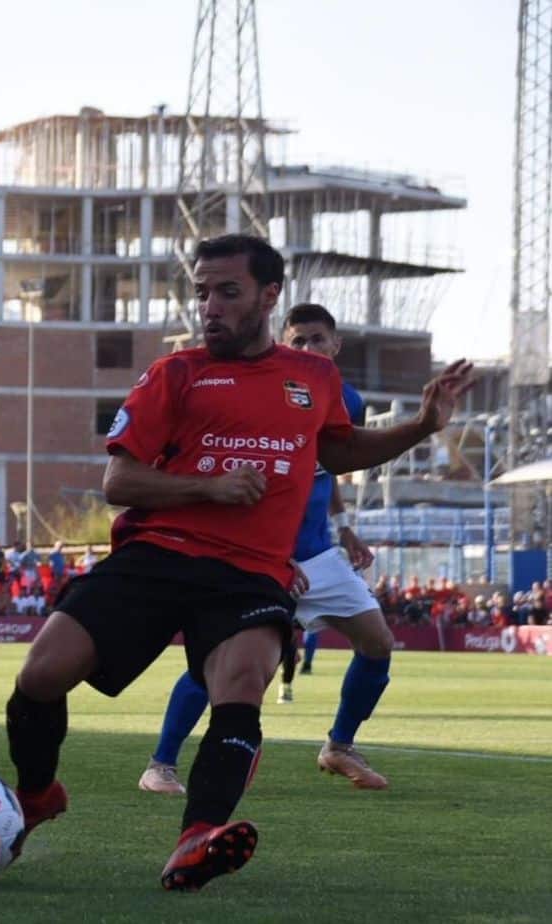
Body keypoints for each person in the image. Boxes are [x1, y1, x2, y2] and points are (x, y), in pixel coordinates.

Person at [2, 233, 473, 892]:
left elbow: (339, 451)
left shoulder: (313, 377)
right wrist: (210, 487)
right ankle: (36, 794)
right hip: (156, 555)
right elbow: (120, 482)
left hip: (250, 571)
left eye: (227, 292)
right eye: (202, 293)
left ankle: (198, 835)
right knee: (40, 675)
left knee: (242, 682)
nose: (210, 307)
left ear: (268, 296)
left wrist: (421, 427)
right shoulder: (178, 373)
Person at [139, 302, 398, 801]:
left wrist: (344, 528)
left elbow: (327, 465)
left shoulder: (347, 400)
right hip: (259, 555)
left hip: (319, 556)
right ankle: (161, 764)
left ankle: (339, 746)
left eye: (316, 339)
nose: (306, 349)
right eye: (297, 340)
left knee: (378, 642)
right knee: (213, 666)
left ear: (335, 345)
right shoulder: (268, 392)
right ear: (282, 342)